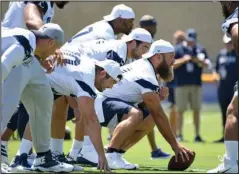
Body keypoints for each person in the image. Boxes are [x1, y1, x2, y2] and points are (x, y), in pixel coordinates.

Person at [78, 40, 194, 170]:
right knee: (136, 114)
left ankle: (116, 154)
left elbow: (141, 104)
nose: (174, 61)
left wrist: (157, 98)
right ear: (158, 57)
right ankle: (111, 154)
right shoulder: (146, 74)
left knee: (149, 119)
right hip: (100, 102)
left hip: (106, 102)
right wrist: (175, 145)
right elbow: (159, 114)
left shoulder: (146, 68)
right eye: (171, 57)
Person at [49, 28, 152, 164]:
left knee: (65, 110)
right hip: (66, 64)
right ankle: (85, 150)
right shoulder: (116, 54)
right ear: (133, 43)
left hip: (68, 65)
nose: (146, 52)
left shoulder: (118, 50)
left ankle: (70, 153)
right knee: (87, 107)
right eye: (145, 47)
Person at [1, 0, 69, 167]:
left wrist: (40, 54)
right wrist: (48, 39)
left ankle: (43, 158)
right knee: (5, 107)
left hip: (28, 55)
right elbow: (31, 17)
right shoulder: (24, 41)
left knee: (43, 97)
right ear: (51, 43)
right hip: (16, 56)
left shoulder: (31, 43)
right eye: (54, 49)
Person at [47, 54, 122, 173]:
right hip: (37, 76)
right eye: (112, 81)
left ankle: (54, 156)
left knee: (42, 114)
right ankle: (26, 157)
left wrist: (76, 107)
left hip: (44, 77)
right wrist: (101, 156)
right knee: (38, 115)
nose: (111, 87)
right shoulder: (87, 79)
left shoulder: (89, 64)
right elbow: (91, 121)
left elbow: (68, 77)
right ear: (102, 74)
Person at [207, 2, 238, 173]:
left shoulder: (235, 15)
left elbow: (237, 32)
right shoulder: (221, 55)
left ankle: (231, 163)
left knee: (233, 112)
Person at [139, 14, 170, 159]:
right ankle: (114, 149)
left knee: (149, 115)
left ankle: (154, 149)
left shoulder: (155, 44)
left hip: (149, 82)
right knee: (140, 116)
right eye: (150, 25)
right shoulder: (139, 41)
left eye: (154, 25)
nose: (153, 28)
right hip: (137, 82)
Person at [174, 28, 211, 142]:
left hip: (196, 84)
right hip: (181, 84)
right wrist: (183, 60)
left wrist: (197, 61)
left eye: (193, 40)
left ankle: (197, 134)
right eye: (189, 40)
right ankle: (179, 134)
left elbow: (207, 64)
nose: (191, 42)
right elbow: (172, 64)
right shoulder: (178, 49)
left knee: (196, 110)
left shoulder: (200, 49)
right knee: (180, 110)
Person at [212, 34, 238, 143]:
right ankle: (225, 135)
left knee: (235, 113)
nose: (228, 45)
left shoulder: (237, 54)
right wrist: (214, 75)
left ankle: (235, 136)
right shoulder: (220, 54)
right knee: (224, 112)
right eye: (226, 43)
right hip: (223, 88)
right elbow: (216, 69)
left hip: (235, 88)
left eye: (230, 43)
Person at [168, 30, 186, 136]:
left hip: (179, 83)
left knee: (177, 109)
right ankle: (173, 132)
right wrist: (184, 60)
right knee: (174, 108)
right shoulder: (173, 51)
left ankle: (177, 133)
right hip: (172, 83)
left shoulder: (184, 50)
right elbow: (171, 64)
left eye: (181, 39)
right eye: (178, 39)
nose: (179, 42)